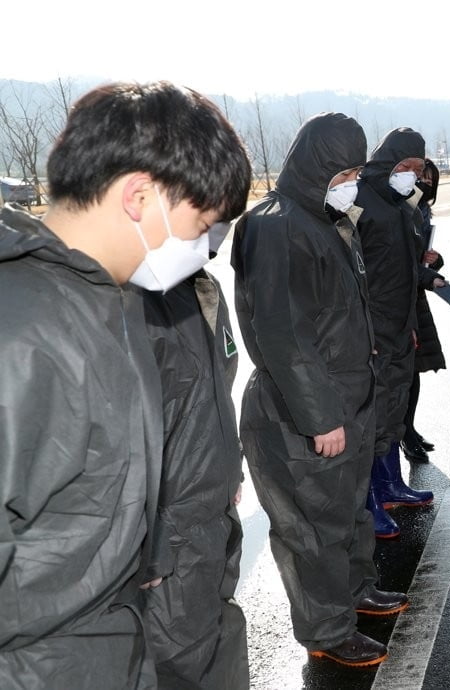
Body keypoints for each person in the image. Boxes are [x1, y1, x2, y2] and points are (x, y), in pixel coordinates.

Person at [0, 80, 250, 688]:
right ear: (140, 195)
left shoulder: (111, 299)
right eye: (200, 222)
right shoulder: (25, 331)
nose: (200, 247)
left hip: (113, 644)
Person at [232, 113, 409, 669]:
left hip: (345, 400)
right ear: (315, 168)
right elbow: (282, 333)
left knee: (347, 512)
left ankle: (357, 591)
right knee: (311, 530)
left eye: (356, 171)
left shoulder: (326, 220)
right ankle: (328, 630)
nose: (352, 182)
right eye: (343, 172)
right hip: (304, 414)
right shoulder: (279, 225)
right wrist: (321, 417)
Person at [139, 231, 248, 688]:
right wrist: (147, 545)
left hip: (211, 501)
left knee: (218, 633)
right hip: (168, 521)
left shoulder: (202, 287)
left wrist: (231, 464)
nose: (214, 229)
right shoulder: (130, 300)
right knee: (177, 655)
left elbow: (218, 390)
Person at [354, 127, 434, 539]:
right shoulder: (359, 201)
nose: (412, 176)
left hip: (402, 325)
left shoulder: (403, 204)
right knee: (371, 414)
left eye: (418, 169)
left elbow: (405, 263)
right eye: (406, 167)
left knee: (394, 408)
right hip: (372, 330)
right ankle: (370, 498)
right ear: (387, 163)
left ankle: (391, 484)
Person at [401, 158, 448, 463]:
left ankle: (410, 428)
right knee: (403, 374)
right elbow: (397, 263)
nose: (425, 182)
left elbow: (418, 258)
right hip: (401, 297)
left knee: (414, 371)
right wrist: (428, 273)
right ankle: (404, 433)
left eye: (430, 178)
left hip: (416, 293)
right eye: (420, 176)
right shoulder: (402, 209)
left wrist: (434, 261)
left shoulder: (423, 210)